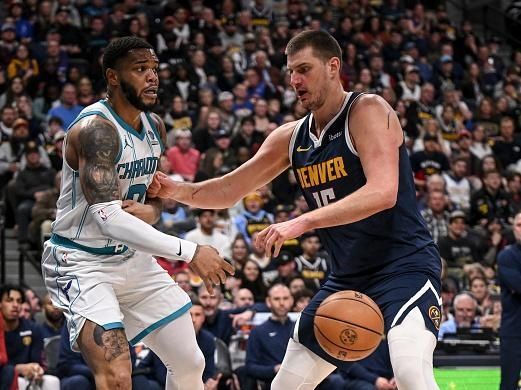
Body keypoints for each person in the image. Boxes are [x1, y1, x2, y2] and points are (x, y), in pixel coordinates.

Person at [149, 30, 442, 389]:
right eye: (290, 72)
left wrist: (300, 222)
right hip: (347, 278)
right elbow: (229, 189)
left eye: (304, 69)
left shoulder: (368, 111)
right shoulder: (291, 137)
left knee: (412, 372)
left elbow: (383, 192)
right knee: (285, 386)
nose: (294, 81)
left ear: (333, 67)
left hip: (403, 267)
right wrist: (176, 189)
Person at [40, 37, 234, 390]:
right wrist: (189, 252)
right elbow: (108, 217)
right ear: (113, 77)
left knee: (191, 363)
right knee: (117, 374)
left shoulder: (155, 127)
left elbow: (150, 199)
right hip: (83, 262)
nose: (152, 78)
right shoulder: (96, 131)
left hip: (133, 260)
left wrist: (154, 209)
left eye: (154, 69)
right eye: (140, 69)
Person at [497, 211, 521, 390]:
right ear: (514, 229)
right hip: (514, 331)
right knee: (509, 383)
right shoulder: (506, 256)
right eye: (519, 225)